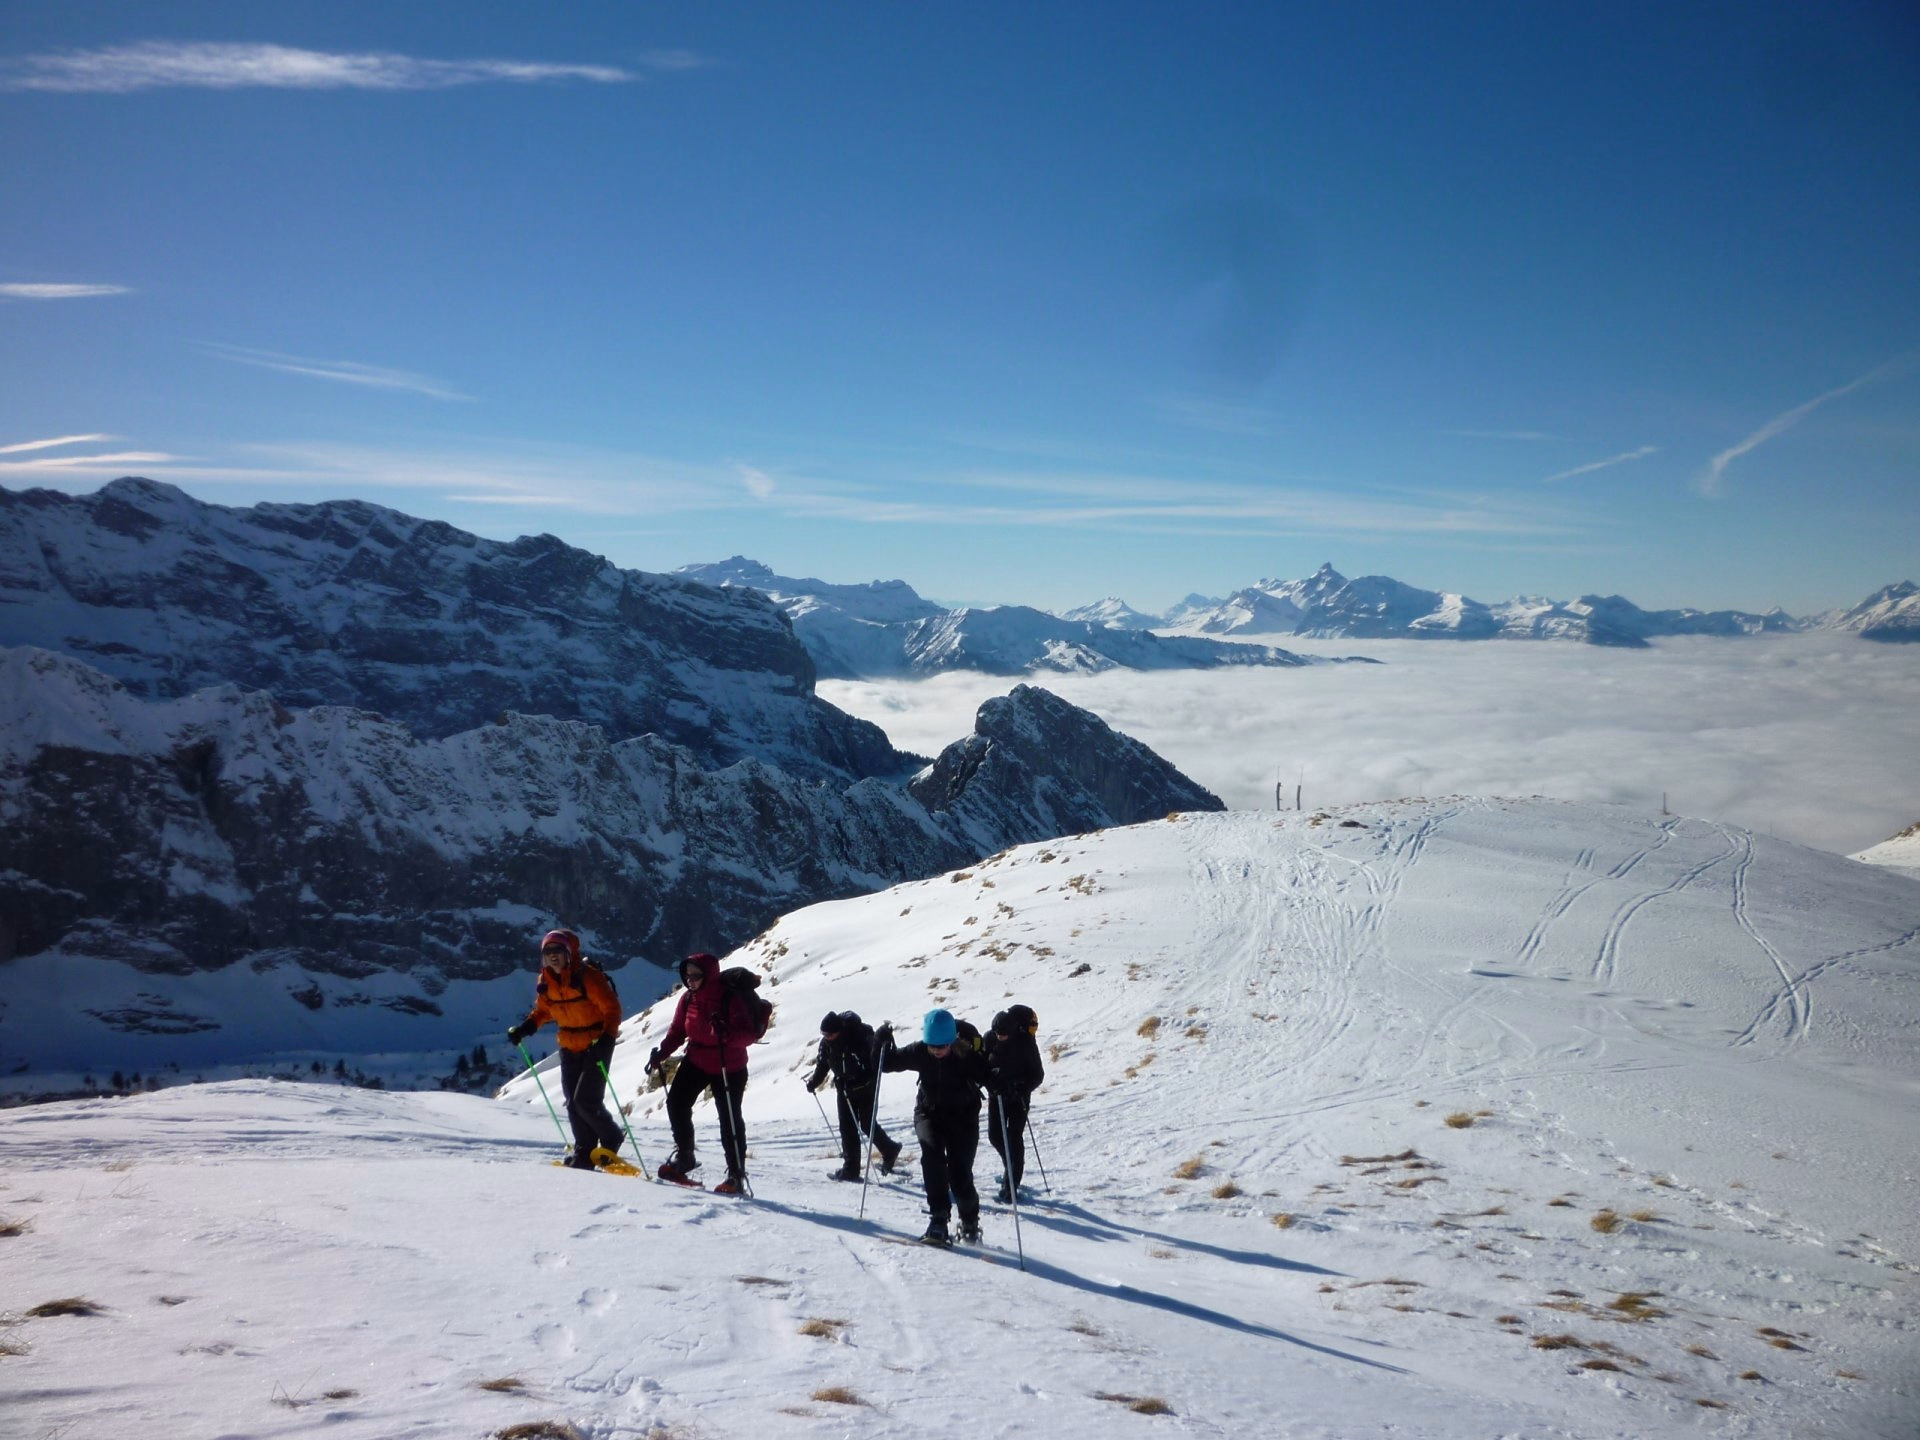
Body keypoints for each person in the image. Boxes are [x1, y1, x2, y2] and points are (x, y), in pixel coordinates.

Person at [506, 929, 625, 1170]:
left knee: (586, 1100)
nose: (552, 956)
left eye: (557, 951)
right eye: (547, 952)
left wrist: (606, 1037)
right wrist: (526, 1028)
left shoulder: (588, 977)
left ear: (569, 953)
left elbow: (612, 1009)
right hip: (569, 1046)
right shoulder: (545, 981)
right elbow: (544, 1010)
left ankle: (611, 1137)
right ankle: (585, 1150)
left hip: (596, 1044)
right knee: (572, 1102)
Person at [647, 953, 761, 1194]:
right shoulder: (689, 999)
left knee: (729, 1118)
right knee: (677, 1102)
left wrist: (727, 1034)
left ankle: (736, 1175)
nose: (690, 980)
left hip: (728, 1064)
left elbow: (748, 1035)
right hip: (697, 1058)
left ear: (708, 975)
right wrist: (662, 1054)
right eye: (687, 975)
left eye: (696, 975)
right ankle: (685, 1155)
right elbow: (678, 1031)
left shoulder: (729, 998)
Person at [879, 1008, 989, 1246]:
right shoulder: (920, 1051)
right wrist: (883, 1042)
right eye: (932, 1046)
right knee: (932, 1157)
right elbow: (887, 1064)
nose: (936, 1051)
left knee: (960, 1177)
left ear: (952, 1041)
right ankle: (938, 1220)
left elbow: (992, 1078)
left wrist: (1005, 1083)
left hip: (964, 1118)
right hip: (929, 1114)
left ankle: (970, 1220)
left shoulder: (966, 1055)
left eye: (942, 1046)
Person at [807, 1011, 903, 1181]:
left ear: (839, 1030)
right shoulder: (827, 1044)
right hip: (844, 1089)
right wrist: (814, 1082)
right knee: (847, 1128)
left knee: (866, 1123)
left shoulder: (857, 1039)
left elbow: (872, 1063)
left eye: (829, 1034)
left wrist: (857, 1080)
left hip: (865, 1087)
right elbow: (823, 1064)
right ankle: (853, 1168)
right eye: (823, 1034)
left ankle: (886, 1152)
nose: (826, 1037)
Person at [984, 1004, 1045, 1202]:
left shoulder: (1026, 1043)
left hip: (1019, 1098)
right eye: (997, 1034)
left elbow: (1038, 1075)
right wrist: (989, 1080)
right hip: (997, 1096)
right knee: (995, 1136)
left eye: (1004, 1034)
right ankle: (1010, 1164)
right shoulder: (989, 1039)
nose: (1000, 1037)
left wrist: (1020, 1088)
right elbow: (981, 1064)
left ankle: (1012, 1183)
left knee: (1014, 1136)